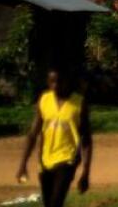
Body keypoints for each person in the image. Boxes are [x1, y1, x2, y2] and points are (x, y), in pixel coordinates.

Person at [16, 68, 92, 207]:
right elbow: (33, 134)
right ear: (48, 82)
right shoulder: (44, 100)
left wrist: (86, 172)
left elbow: (86, 139)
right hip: (45, 160)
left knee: (56, 202)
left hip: (67, 159)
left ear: (67, 82)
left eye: (60, 81)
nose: (56, 85)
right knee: (49, 203)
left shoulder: (79, 103)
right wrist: (23, 164)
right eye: (52, 81)